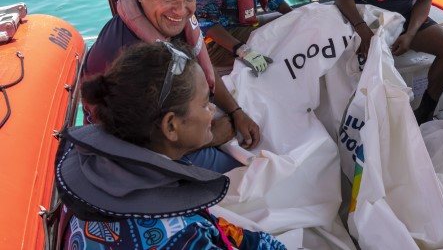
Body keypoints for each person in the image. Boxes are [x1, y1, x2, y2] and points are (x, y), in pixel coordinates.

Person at [57, 42, 285, 249]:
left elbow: (228, 233)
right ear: (171, 126)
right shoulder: (182, 236)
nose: (212, 111)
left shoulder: (94, 170)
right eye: (206, 103)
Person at [82, 0, 260, 173]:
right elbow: (139, 148)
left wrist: (237, 112)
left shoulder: (167, 21)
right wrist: (212, 137)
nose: (180, 10)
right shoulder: (129, 59)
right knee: (243, 174)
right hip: (135, 155)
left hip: (175, 120)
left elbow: (205, 69)